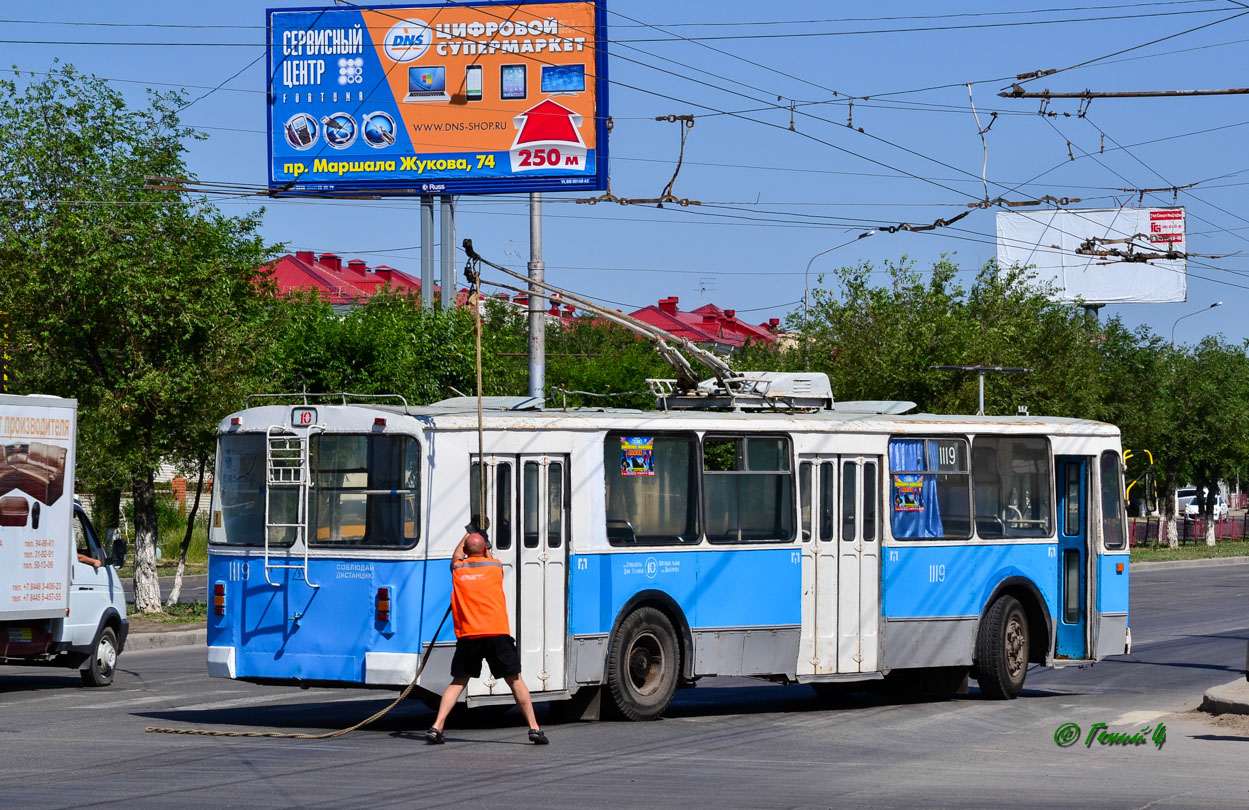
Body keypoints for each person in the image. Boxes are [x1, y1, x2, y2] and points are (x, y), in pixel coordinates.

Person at [425, 527, 548, 745]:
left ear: (465, 549)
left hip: (469, 636)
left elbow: (456, 556)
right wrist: (482, 539)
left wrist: (467, 533)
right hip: (496, 634)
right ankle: (534, 729)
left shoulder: (458, 569)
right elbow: (485, 556)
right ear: (484, 550)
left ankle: (437, 727)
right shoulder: (494, 567)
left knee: (458, 682)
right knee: (515, 681)